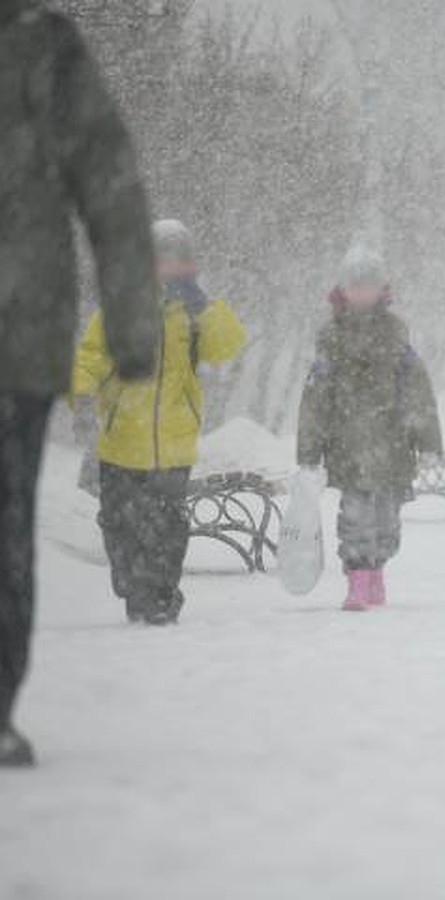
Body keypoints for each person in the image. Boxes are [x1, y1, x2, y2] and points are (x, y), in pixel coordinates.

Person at [1, 0, 160, 766]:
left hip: (13, 336)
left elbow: (111, 186)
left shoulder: (45, 50)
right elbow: (112, 188)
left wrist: (134, 322)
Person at [73, 220, 247, 626]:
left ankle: (162, 594)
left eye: (177, 261)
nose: (168, 269)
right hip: (121, 440)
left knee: (167, 527)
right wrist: (78, 390)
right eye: (160, 261)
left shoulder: (192, 314)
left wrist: (202, 307)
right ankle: (134, 586)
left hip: (173, 443)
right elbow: (92, 355)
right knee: (120, 524)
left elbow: (229, 345)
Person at [297, 247, 443, 611]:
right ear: (343, 289)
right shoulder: (331, 338)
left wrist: (428, 443)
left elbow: (418, 392)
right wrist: (309, 451)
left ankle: (377, 571)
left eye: (369, 285)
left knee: (386, 521)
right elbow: (315, 397)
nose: (362, 292)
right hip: (347, 445)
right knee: (355, 517)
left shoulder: (396, 336)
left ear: (382, 289)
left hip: (393, 446)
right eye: (355, 285)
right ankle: (357, 580)